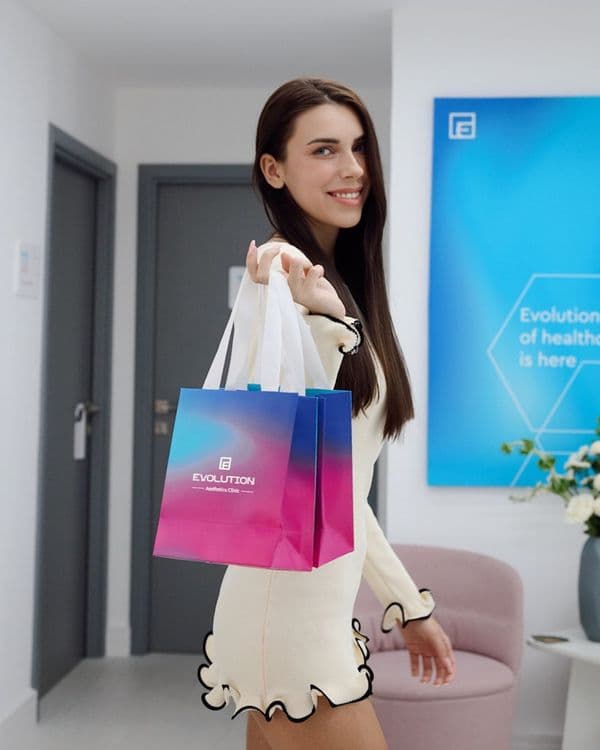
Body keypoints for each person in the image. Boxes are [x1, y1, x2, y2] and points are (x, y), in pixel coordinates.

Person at [197, 77, 456, 750]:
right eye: (324, 150)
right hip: (288, 613)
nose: (353, 168)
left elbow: (339, 491)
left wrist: (407, 604)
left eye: (358, 147)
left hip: (307, 606)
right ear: (273, 169)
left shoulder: (340, 286)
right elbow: (295, 459)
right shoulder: (284, 271)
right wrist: (326, 320)